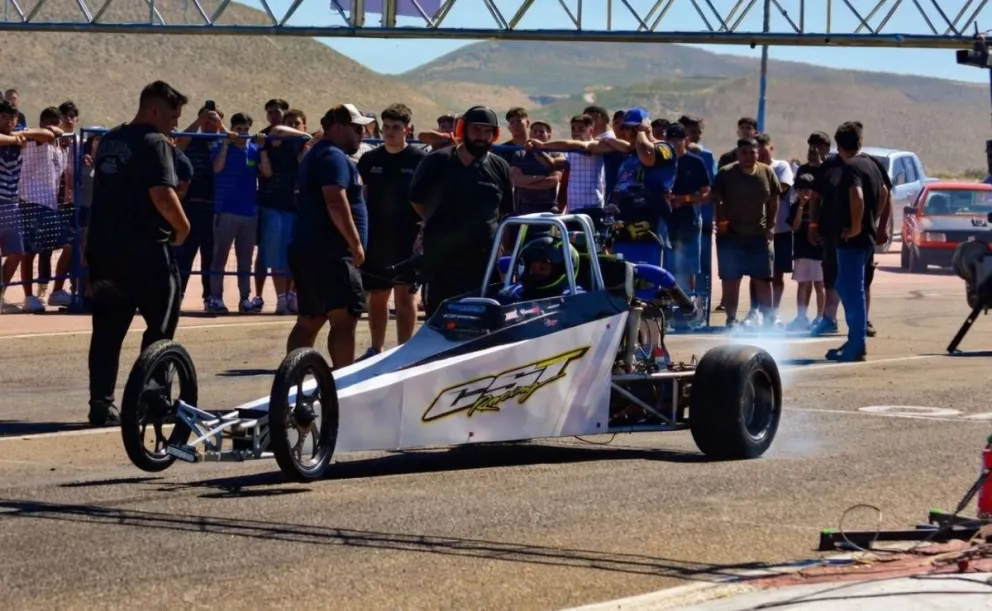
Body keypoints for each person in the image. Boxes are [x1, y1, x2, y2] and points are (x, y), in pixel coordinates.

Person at [85, 80, 191, 427]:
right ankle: (152, 397)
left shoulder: (110, 140)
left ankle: (101, 404)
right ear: (154, 110)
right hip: (146, 251)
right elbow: (162, 193)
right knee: (160, 328)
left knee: (106, 332)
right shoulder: (156, 142)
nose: (174, 124)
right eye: (172, 116)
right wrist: (182, 227)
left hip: (105, 251)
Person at [286, 104, 371, 369]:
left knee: (309, 320)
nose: (362, 134)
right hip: (333, 254)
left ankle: (293, 379)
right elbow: (335, 200)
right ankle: (343, 387)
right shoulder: (332, 156)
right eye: (356, 128)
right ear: (337, 127)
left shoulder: (318, 155)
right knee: (344, 320)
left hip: (311, 249)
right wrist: (355, 244)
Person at [409, 105, 514, 316]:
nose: (481, 137)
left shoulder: (500, 167)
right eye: (476, 130)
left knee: (482, 317)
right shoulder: (437, 162)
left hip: (483, 259)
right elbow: (416, 200)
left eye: (487, 132)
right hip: (443, 257)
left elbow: (504, 212)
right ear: (464, 130)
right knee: (440, 317)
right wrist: (436, 222)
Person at [356, 103, 426, 359]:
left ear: (407, 129)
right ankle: (376, 349)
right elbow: (360, 197)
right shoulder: (369, 159)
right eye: (386, 127)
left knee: (405, 297)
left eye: (396, 127)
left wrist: (424, 233)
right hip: (376, 237)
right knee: (377, 295)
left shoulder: (419, 160)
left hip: (409, 237)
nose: (390, 132)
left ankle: (404, 352)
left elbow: (429, 199)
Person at [816, 121, 887, 362]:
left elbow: (856, 197)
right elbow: (885, 194)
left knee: (853, 290)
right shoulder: (872, 164)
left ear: (839, 145)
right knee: (843, 284)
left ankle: (857, 345)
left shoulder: (851, 168)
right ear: (860, 142)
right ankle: (854, 338)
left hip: (853, 240)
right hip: (864, 239)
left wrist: (857, 226)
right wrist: (872, 221)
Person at [710, 138, 782, 328]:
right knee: (731, 279)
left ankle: (769, 320)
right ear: (738, 153)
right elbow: (717, 199)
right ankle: (731, 319)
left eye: (753, 152)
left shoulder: (767, 172)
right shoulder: (726, 174)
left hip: (759, 235)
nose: (749, 156)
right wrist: (722, 223)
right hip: (731, 236)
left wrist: (770, 227)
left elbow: (774, 201)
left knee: (763, 279)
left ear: (758, 153)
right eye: (744, 152)